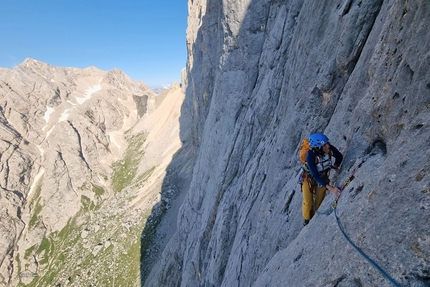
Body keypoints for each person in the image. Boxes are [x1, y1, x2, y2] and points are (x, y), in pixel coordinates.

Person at [301, 133, 343, 226]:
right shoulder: (310, 156)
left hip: (322, 177)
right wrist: (331, 188)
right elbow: (315, 176)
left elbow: (339, 156)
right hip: (308, 178)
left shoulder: (329, 149)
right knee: (308, 203)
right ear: (317, 147)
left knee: (318, 203)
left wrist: (335, 166)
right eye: (324, 145)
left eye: (327, 143)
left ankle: (313, 219)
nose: (328, 146)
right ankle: (307, 219)